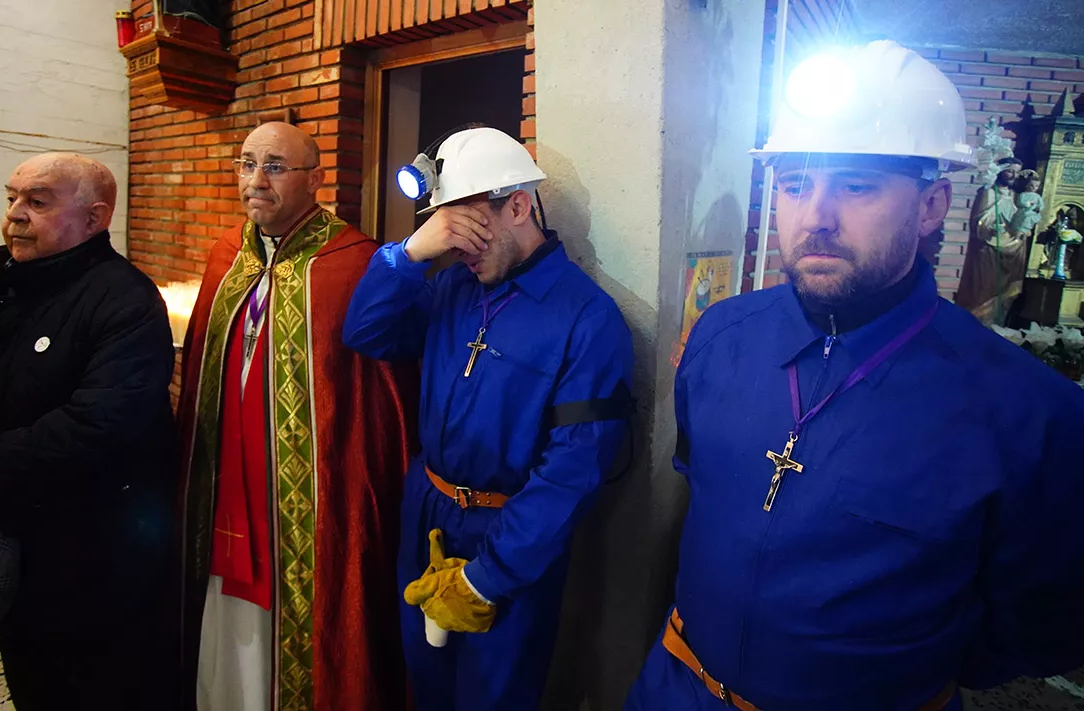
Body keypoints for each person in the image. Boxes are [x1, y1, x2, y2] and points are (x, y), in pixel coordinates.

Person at [626, 41, 1084, 711]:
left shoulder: (1029, 412)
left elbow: (1046, 620)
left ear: (932, 206)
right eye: (795, 184)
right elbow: (702, 493)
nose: (817, 216)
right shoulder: (719, 338)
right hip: (675, 689)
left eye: (857, 185)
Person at [343, 126, 635, 711]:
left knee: (493, 697)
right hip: (427, 515)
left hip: (509, 542)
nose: (456, 246)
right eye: (444, 230)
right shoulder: (452, 286)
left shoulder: (587, 318)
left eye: (469, 227)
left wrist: (485, 578)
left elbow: (574, 471)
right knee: (425, 687)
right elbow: (366, 331)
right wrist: (406, 255)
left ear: (519, 206)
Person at [0, 152, 177, 708]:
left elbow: (91, 428)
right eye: (13, 198)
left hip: (91, 569)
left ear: (94, 219)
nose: (16, 213)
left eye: (37, 201)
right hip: (5, 549)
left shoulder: (125, 300)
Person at [176, 121, 417, 711]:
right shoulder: (224, 257)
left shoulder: (353, 263)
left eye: (275, 167)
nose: (256, 180)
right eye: (246, 163)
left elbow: (375, 406)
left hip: (310, 496)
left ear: (316, 179)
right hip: (225, 483)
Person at [956, 156, 1026, 324]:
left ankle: (997, 325)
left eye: (1017, 172)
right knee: (983, 290)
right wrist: (991, 228)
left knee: (1005, 293)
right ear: (1000, 172)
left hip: (1013, 249)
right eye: (1010, 171)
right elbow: (979, 222)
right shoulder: (987, 192)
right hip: (988, 250)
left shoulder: (1016, 196)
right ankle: (976, 325)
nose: (1014, 176)